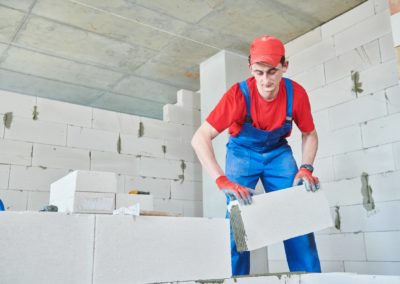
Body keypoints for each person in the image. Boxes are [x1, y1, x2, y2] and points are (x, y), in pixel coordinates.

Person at [191, 35, 321, 276]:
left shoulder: (296, 94)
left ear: (285, 66)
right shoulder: (238, 95)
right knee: (237, 221)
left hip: (278, 153)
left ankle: (310, 279)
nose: (265, 81)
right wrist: (222, 180)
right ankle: (237, 280)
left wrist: (306, 167)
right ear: (250, 68)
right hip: (242, 154)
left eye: (272, 72)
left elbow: (310, 134)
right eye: (258, 72)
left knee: (297, 214)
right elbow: (200, 138)